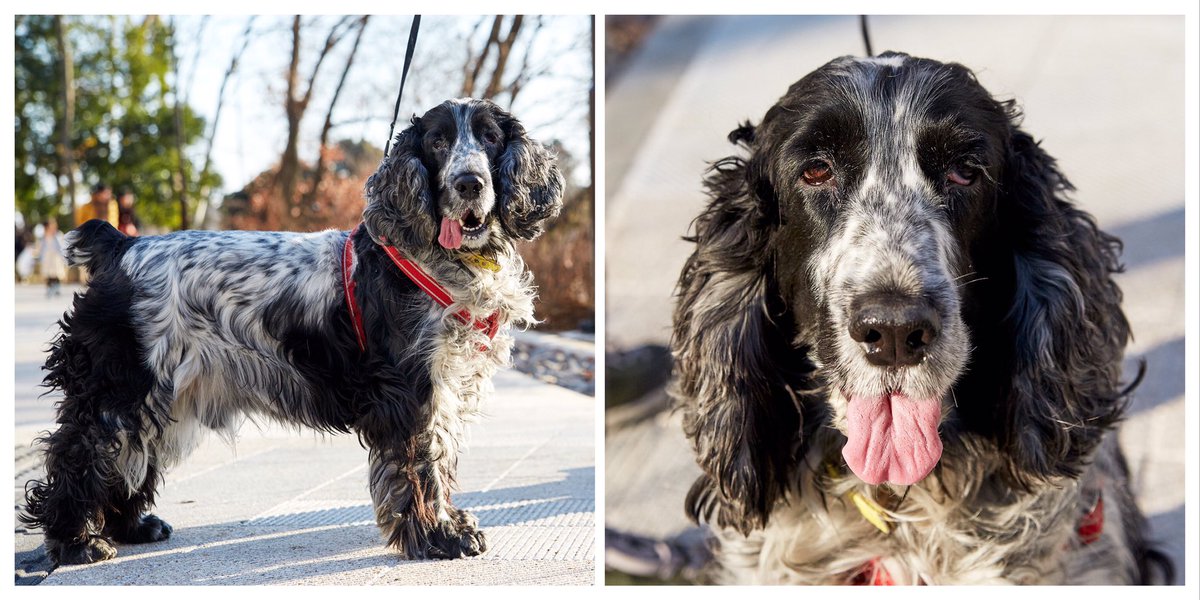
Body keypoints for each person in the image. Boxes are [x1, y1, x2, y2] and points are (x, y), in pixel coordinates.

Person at [37, 219, 68, 297]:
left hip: (56, 257)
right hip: (47, 257)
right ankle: (49, 289)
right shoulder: (44, 235)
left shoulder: (58, 234)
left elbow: (62, 246)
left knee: (56, 273)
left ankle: (57, 289)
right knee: (48, 274)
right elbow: (41, 247)